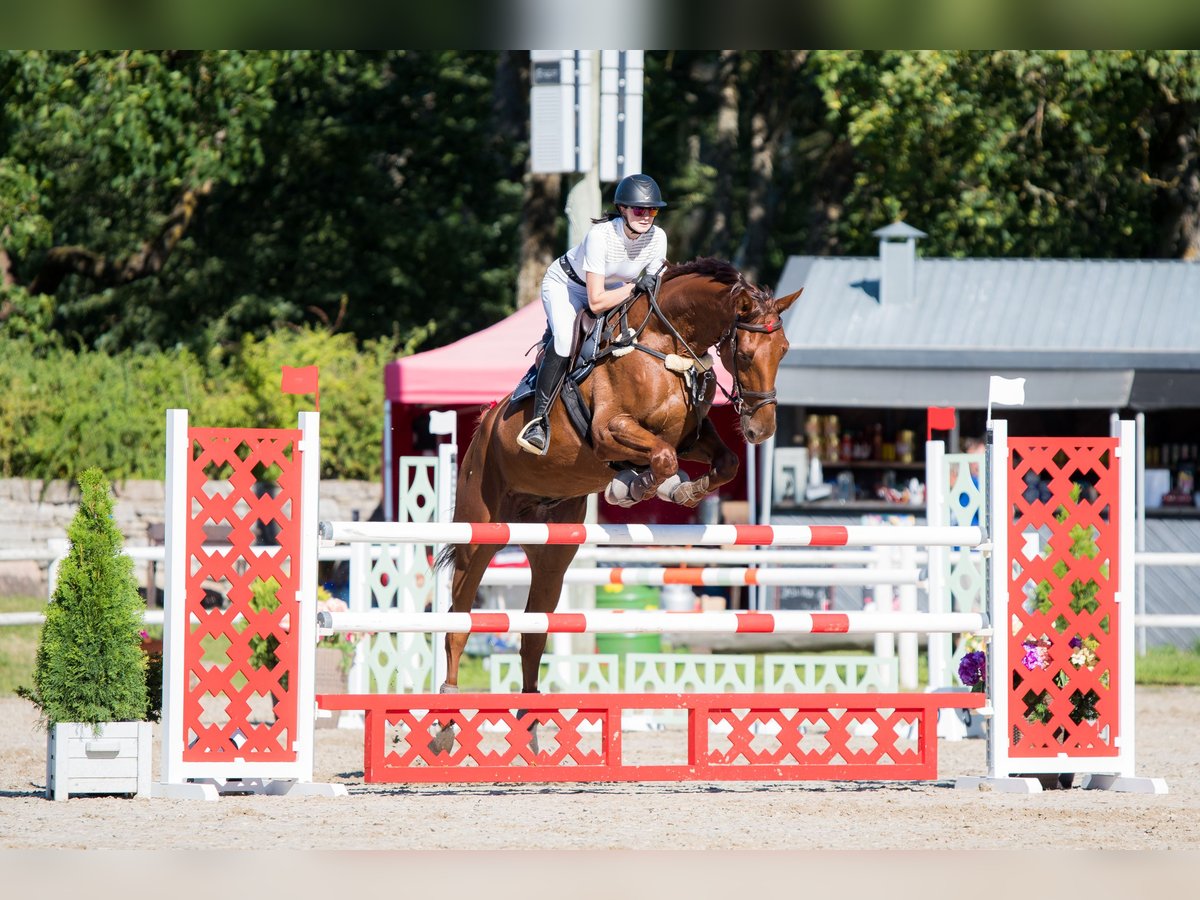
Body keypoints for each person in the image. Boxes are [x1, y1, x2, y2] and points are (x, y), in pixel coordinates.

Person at [516, 173, 669, 455]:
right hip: (568, 285)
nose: (646, 216)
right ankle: (538, 421)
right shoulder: (601, 235)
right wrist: (636, 287)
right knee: (564, 339)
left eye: (652, 210)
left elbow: (658, 286)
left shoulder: (658, 238)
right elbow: (596, 302)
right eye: (639, 210)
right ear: (623, 209)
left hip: (616, 288)